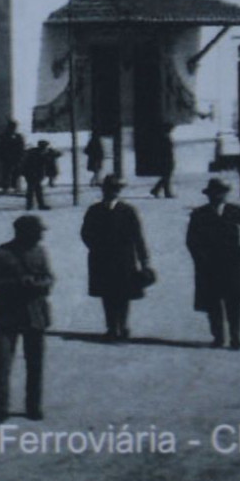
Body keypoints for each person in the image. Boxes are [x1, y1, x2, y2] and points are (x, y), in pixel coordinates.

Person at [0, 215, 55, 424]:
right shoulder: (0, 254)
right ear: (23, 233)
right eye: (37, 232)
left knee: (35, 364)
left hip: (35, 314)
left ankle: (33, 406)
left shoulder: (39, 252)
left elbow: (49, 278)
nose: (41, 236)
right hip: (7, 314)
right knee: (1, 364)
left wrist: (39, 284)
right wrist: (16, 283)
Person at [185, 178, 240, 350]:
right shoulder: (199, 214)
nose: (218, 196)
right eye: (214, 193)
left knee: (234, 303)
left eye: (221, 193)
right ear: (209, 195)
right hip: (208, 266)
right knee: (213, 304)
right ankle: (218, 337)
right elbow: (192, 240)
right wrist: (200, 258)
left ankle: (236, 337)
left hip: (232, 264)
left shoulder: (236, 212)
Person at [80, 174, 152, 340]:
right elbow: (86, 233)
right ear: (103, 190)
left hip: (124, 259)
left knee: (124, 294)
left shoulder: (127, 211)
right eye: (110, 189)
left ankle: (123, 326)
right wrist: (97, 247)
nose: (113, 192)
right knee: (107, 294)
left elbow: (137, 236)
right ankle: (111, 327)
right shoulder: (94, 210)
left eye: (116, 189)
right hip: (101, 259)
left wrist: (144, 260)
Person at [22, 140, 53, 210]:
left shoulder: (35, 152)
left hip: (32, 174)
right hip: (32, 174)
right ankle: (34, 205)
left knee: (35, 189)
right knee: (33, 190)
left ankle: (32, 205)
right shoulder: (37, 154)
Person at [0, 119, 26, 194]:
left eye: (14, 127)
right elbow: (1, 147)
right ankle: (5, 187)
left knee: (16, 173)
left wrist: (21, 156)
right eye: (11, 127)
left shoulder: (18, 136)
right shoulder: (4, 136)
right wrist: (2, 156)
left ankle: (15, 186)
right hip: (6, 158)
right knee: (6, 173)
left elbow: (21, 146)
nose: (13, 128)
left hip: (16, 158)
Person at [149, 122, 176, 199]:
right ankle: (165, 192)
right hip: (167, 159)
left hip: (166, 159)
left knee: (166, 177)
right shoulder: (165, 138)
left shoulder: (164, 137)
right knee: (167, 177)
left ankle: (156, 190)